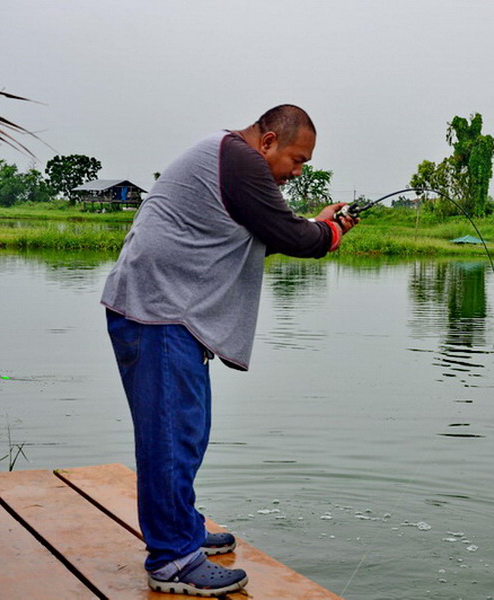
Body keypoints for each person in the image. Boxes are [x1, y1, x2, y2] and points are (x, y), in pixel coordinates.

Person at [102, 105, 357, 597]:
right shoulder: (239, 159)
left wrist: (318, 227)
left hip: (165, 312)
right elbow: (288, 235)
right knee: (171, 436)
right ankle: (173, 559)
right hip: (158, 312)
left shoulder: (230, 159)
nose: (297, 172)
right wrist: (328, 232)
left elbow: (268, 230)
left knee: (187, 431)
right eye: (297, 160)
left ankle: (182, 529)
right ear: (267, 142)